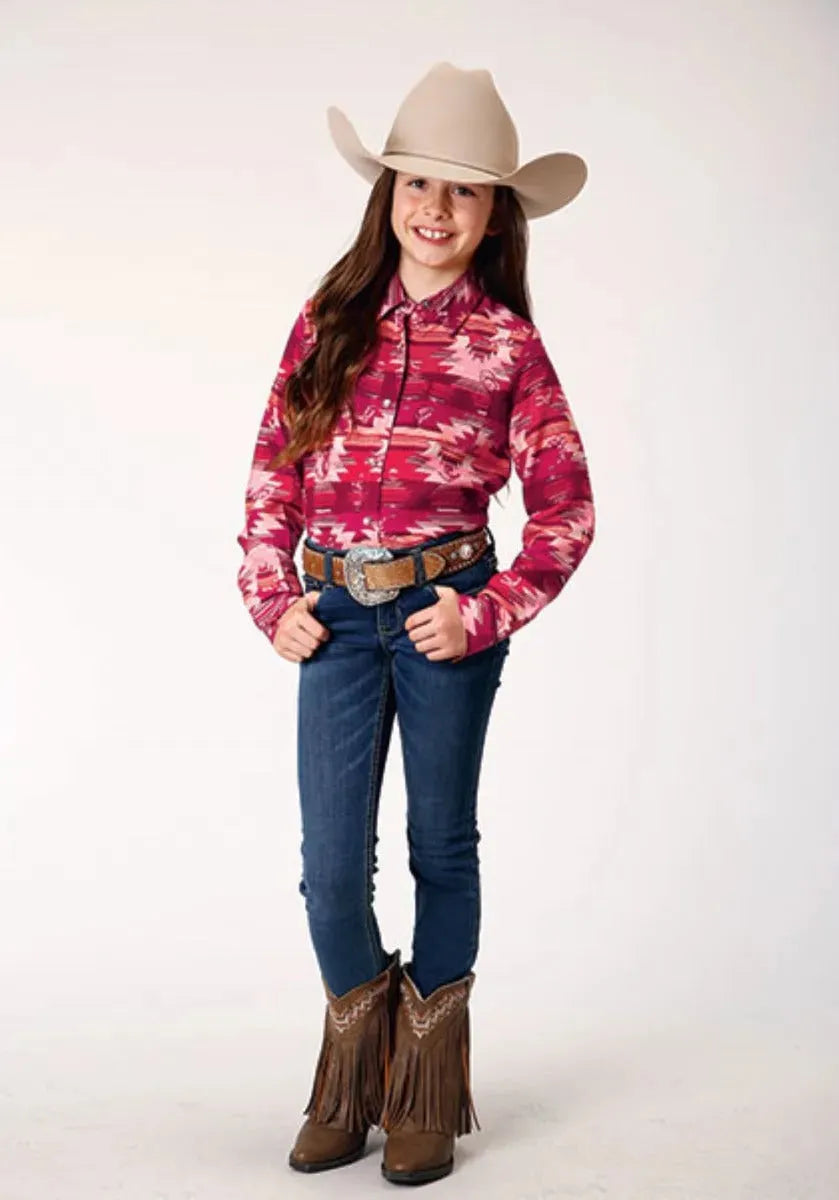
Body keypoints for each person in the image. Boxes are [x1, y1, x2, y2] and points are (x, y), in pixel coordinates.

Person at [236, 61, 596, 1187]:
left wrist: (485, 613)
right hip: (336, 618)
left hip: (445, 618)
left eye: (464, 190)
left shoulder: (508, 347)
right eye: (418, 183)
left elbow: (566, 509)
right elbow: (272, 471)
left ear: (494, 215)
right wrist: (272, 598)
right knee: (329, 863)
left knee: (441, 846)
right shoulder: (327, 321)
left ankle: (425, 1091)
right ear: (386, 194)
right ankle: (355, 1071)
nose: (436, 209)